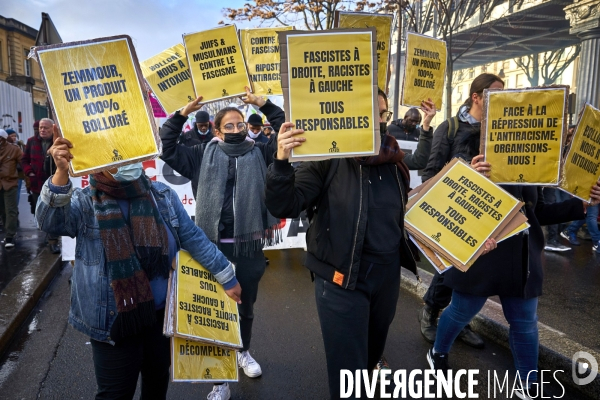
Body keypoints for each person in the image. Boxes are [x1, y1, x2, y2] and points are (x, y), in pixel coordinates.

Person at [264, 89, 461, 399]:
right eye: (373, 115)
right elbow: (285, 205)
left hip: (386, 277)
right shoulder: (326, 160)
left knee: (369, 359)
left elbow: (406, 213)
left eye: (383, 115)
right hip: (342, 278)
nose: (380, 122)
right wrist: (281, 163)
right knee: (348, 374)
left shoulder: (393, 157)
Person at [36, 129, 241, 400]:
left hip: (160, 318)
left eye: (131, 153)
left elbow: (192, 237)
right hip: (113, 324)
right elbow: (50, 222)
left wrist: (227, 276)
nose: (127, 162)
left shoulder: (162, 195)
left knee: (156, 388)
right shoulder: (85, 201)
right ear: (100, 161)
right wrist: (60, 173)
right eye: (117, 156)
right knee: (115, 394)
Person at [427, 154, 600, 399]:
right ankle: (438, 352)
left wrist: (580, 206)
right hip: (482, 251)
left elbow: (537, 211)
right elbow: (443, 189)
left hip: (521, 255)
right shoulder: (481, 142)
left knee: (524, 321)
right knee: (461, 310)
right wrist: (468, 174)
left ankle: (528, 384)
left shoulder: (533, 160)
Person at [159, 87, 284, 400]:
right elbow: (166, 144)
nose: (236, 129)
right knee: (216, 313)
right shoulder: (201, 154)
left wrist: (263, 104)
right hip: (211, 250)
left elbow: (284, 130)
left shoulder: (261, 151)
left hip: (249, 247)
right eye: (228, 125)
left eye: (239, 124)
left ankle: (243, 352)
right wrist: (182, 113)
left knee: (246, 309)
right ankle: (219, 380)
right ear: (216, 130)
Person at [418, 73, 505, 349]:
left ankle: (461, 320)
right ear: (477, 96)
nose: (502, 98)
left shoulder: (501, 131)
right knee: (450, 270)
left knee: (474, 271)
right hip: (454, 209)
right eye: (495, 92)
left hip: (486, 212)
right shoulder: (451, 127)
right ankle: (431, 313)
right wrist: (466, 172)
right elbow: (430, 171)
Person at [22, 118, 60, 254]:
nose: (42, 130)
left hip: (54, 183)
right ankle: (48, 234)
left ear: (52, 129)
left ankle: (53, 241)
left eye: (46, 128)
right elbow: (24, 160)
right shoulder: (32, 141)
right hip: (37, 184)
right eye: (41, 127)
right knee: (41, 212)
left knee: (53, 212)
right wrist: (29, 172)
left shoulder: (57, 141)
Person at [544, 124, 576, 252]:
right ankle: (552, 239)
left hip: (559, 181)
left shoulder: (568, 146)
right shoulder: (558, 144)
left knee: (559, 205)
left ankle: (555, 238)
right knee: (552, 205)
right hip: (551, 180)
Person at [0, 129, 22, 248]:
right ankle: (7, 232)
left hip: (10, 182)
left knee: (11, 210)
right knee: (2, 210)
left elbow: (23, 163)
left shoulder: (14, 149)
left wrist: (28, 181)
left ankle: (10, 236)